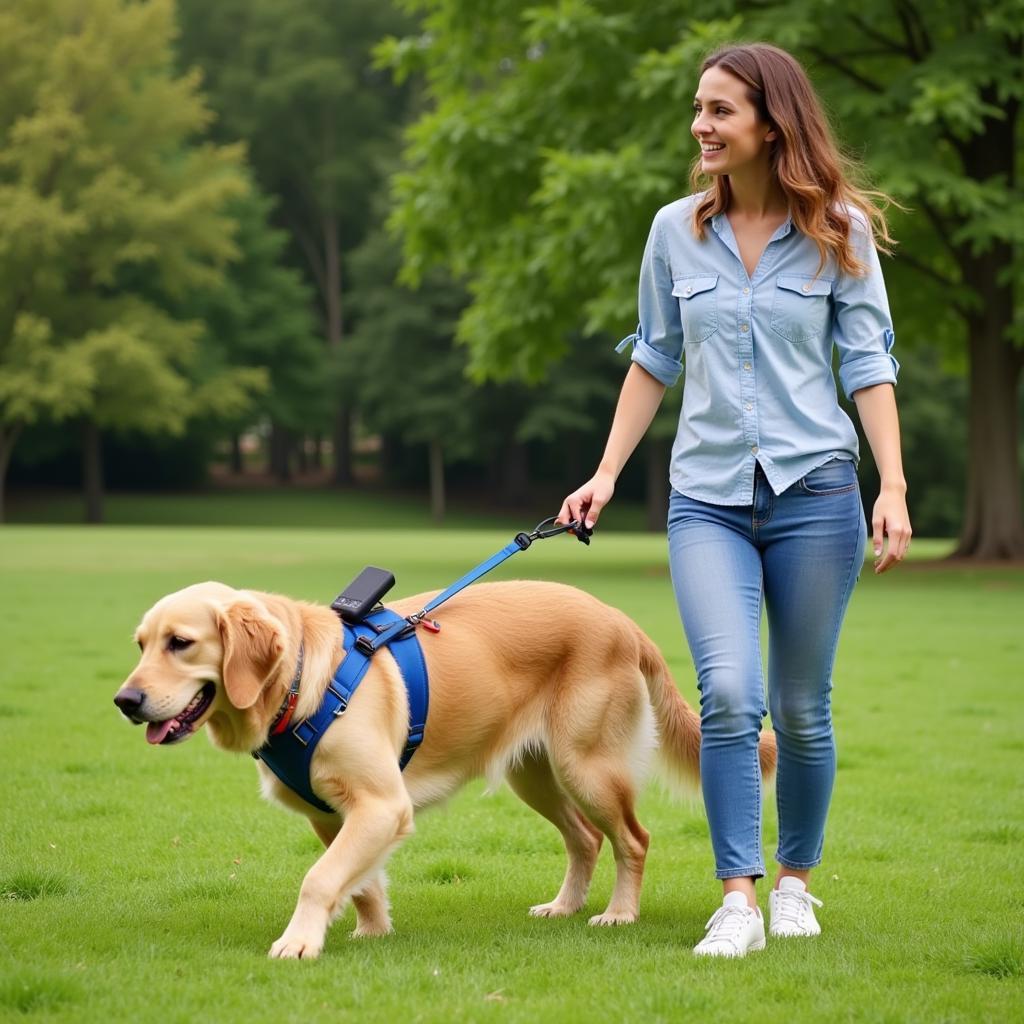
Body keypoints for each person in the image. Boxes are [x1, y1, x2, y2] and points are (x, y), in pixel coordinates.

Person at [557, 42, 911, 958]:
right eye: (698, 109)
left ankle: (796, 883)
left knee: (800, 706)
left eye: (719, 110)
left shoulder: (841, 230)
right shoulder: (676, 230)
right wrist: (604, 472)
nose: (700, 126)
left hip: (817, 494)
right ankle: (737, 898)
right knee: (726, 694)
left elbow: (869, 366)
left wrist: (895, 485)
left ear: (771, 123)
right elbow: (655, 356)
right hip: (706, 498)